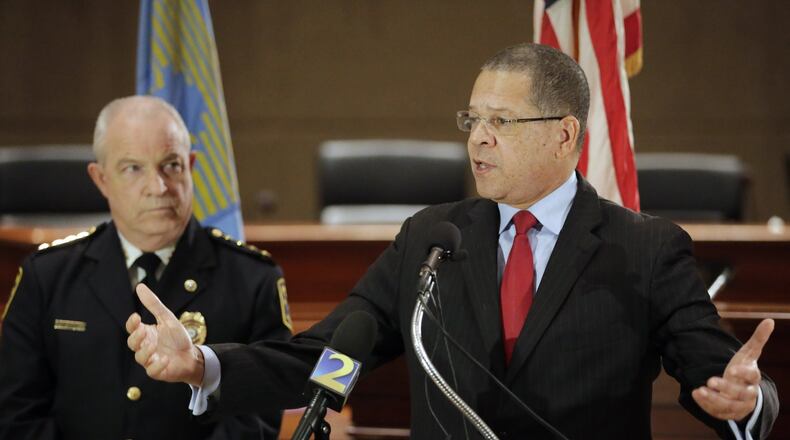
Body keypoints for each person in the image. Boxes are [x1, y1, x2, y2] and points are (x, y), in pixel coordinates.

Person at [126, 44, 779, 439]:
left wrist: (745, 401)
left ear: (564, 135)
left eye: (501, 121)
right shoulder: (429, 240)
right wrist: (204, 366)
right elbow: (332, 359)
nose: (477, 138)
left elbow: (719, 378)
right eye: (473, 119)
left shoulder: (644, 248)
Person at [0, 96, 292, 439]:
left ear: (191, 165)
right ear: (101, 179)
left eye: (171, 165)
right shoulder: (47, 276)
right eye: (133, 168)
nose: (158, 187)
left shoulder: (252, 279)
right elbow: (18, 415)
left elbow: (255, 421)